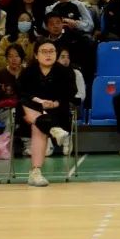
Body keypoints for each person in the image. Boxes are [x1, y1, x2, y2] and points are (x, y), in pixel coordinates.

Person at [18, 39, 75, 187]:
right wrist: (39, 101)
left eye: (51, 51)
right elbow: (22, 93)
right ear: (36, 55)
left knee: (38, 125)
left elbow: (70, 94)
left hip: (57, 112)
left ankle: (35, 172)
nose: (48, 55)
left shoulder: (65, 72)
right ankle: (53, 129)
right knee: (29, 109)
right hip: (30, 111)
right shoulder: (28, 72)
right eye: (44, 52)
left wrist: (55, 103)